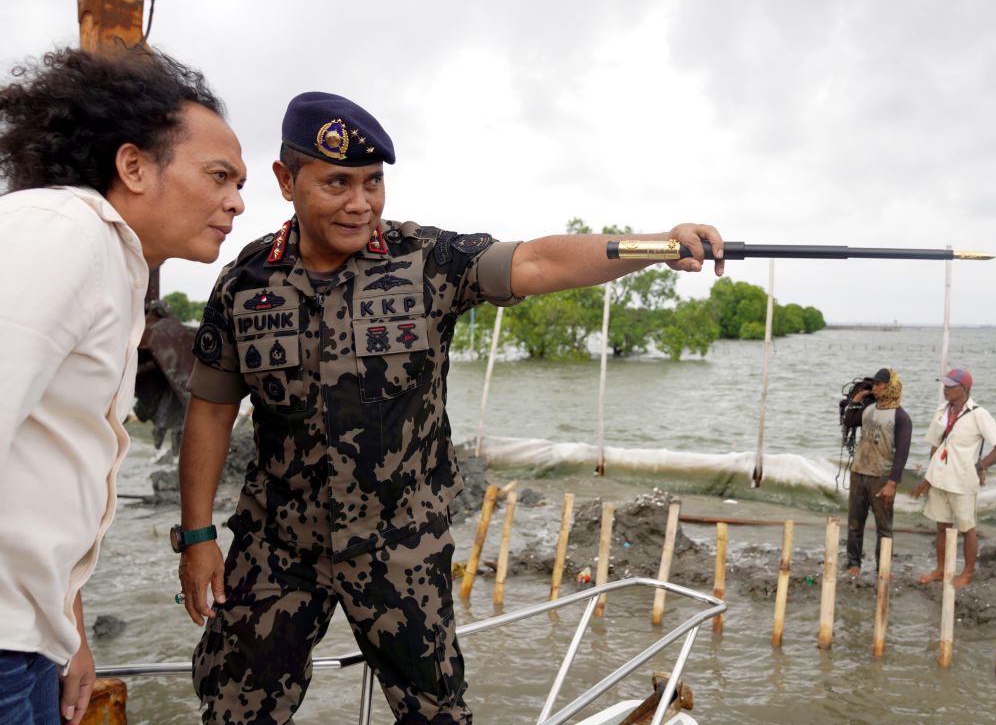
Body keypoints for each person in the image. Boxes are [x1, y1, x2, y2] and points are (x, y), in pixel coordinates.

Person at [175, 91, 724, 725]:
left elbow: (538, 260)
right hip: (278, 549)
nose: (361, 203)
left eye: (372, 182)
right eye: (337, 183)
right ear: (285, 181)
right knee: (234, 711)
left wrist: (655, 246)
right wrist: (197, 537)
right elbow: (210, 412)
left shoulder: (426, 261)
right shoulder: (245, 285)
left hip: (401, 548)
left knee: (436, 714)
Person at [0, 46, 245, 725]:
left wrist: (65, 629)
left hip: (26, 638)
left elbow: (40, 473)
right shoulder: (60, 234)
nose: (238, 201)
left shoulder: (111, 262)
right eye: (219, 175)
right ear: (133, 165)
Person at [911, 368, 996, 588]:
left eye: (950, 386)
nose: (945, 389)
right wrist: (928, 478)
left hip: (963, 482)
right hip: (939, 479)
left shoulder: (978, 414)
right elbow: (935, 446)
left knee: (967, 528)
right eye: (944, 385)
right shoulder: (941, 410)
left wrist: (981, 465)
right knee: (941, 526)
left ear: (964, 389)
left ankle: (967, 573)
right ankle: (940, 569)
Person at [840, 368, 912, 577]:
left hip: (881, 476)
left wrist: (892, 483)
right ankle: (854, 564)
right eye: (875, 384)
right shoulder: (869, 408)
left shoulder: (901, 417)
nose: (876, 387)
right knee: (855, 522)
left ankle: (883, 567)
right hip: (859, 472)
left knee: (884, 526)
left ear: (891, 386)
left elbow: (902, 454)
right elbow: (849, 421)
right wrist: (856, 399)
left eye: (880, 384)